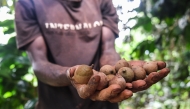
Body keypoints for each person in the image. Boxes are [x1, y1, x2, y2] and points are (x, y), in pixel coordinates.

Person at [14, 0, 170, 109]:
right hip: (54, 104)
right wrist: (70, 74)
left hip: (104, 104)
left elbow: (108, 49)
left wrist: (115, 69)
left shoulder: (102, 1)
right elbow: (39, 64)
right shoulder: (29, 4)